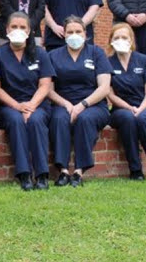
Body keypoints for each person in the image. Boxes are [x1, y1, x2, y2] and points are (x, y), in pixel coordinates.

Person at [48, 15, 112, 187]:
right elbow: (48, 89)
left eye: (78, 31)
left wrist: (83, 105)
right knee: (59, 119)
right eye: (70, 32)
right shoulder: (53, 55)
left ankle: (79, 171)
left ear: (85, 33)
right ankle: (62, 171)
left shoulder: (96, 53)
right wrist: (67, 104)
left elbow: (104, 87)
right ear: (64, 34)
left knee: (85, 119)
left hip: (93, 104)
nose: (74, 35)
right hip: (63, 103)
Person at [0, 12, 55, 191]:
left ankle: (42, 174)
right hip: (9, 105)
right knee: (15, 120)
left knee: (36, 121)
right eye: (14, 27)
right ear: (6, 30)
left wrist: (31, 106)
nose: (18, 30)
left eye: (22, 28)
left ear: (29, 31)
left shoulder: (40, 54)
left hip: (36, 104)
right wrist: (18, 106)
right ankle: (24, 174)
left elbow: (45, 85)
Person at [107, 23, 146, 182]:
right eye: (116, 37)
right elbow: (109, 94)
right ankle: (135, 170)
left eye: (124, 37)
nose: (120, 40)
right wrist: (128, 107)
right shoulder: (107, 63)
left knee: (143, 118)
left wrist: (140, 109)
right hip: (121, 108)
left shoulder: (144, 61)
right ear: (111, 41)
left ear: (131, 40)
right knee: (128, 118)